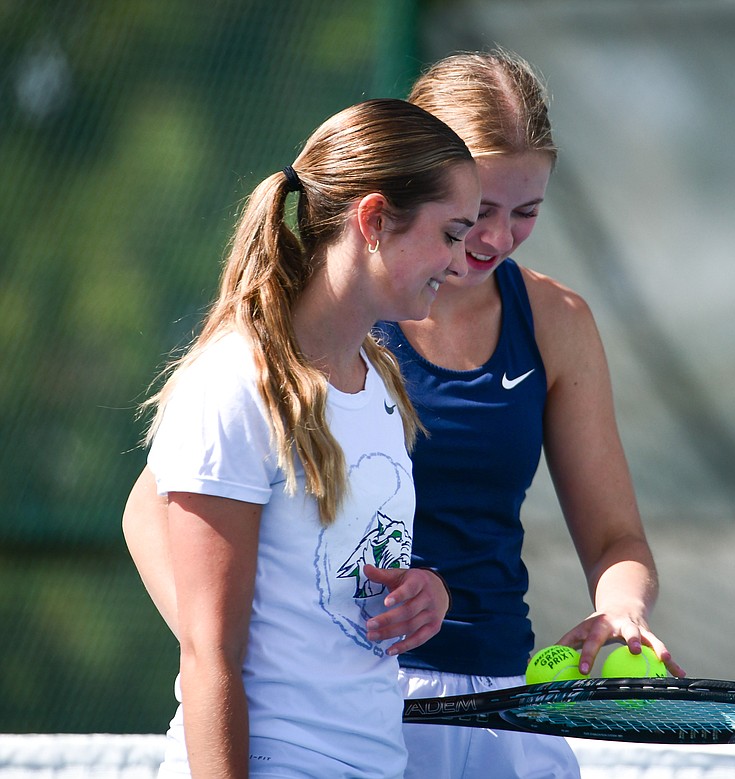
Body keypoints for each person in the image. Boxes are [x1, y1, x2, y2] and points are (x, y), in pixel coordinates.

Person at [124, 49, 683, 779]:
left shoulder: (537, 326)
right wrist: (251, 653)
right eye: (472, 215)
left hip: (479, 701)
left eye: (527, 212)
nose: (493, 239)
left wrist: (621, 607)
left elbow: (617, 540)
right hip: (358, 707)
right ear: (395, 201)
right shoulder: (310, 337)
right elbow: (154, 511)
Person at [134, 97, 479, 778]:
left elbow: (337, 571)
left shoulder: (377, 381)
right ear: (375, 220)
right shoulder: (234, 383)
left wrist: (425, 591)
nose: (461, 257)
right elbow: (209, 655)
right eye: (450, 231)